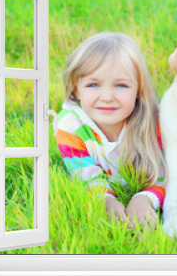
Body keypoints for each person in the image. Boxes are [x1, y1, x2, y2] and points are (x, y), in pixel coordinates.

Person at [56, 32, 166, 229]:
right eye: (93, 84)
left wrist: (144, 199)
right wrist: (105, 200)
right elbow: (86, 175)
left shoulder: (156, 123)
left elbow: (169, 175)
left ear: (138, 89)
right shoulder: (70, 127)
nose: (106, 97)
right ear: (75, 89)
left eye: (121, 85)